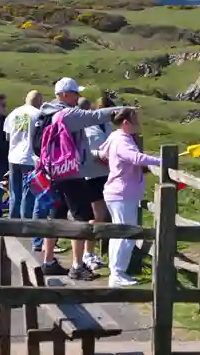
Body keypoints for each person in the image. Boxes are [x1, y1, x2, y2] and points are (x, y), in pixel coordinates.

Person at [34, 77, 126, 280]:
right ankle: (77, 266)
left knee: (56, 216)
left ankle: (48, 261)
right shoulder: (67, 114)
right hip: (70, 172)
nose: (78, 97)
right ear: (65, 94)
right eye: (75, 93)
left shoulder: (45, 112)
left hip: (53, 171)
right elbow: (94, 116)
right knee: (82, 218)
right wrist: (123, 109)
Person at [92, 107, 161, 287]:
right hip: (122, 194)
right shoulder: (122, 140)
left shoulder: (116, 136)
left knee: (119, 234)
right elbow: (135, 158)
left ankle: (117, 271)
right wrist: (160, 161)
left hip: (118, 192)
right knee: (125, 235)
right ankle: (117, 274)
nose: (139, 124)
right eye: (135, 120)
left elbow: (103, 152)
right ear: (125, 123)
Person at [77, 96, 111, 271]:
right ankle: (87, 254)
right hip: (90, 175)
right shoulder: (84, 127)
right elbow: (82, 152)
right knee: (95, 216)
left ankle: (91, 252)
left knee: (101, 216)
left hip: (105, 173)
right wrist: (99, 155)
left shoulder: (107, 125)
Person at [5, 90, 43, 220]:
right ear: (39, 101)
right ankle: (25, 221)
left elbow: (7, 136)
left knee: (14, 192)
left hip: (13, 156)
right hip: (30, 157)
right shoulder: (38, 114)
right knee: (28, 194)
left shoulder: (13, 113)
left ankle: (13, 220)